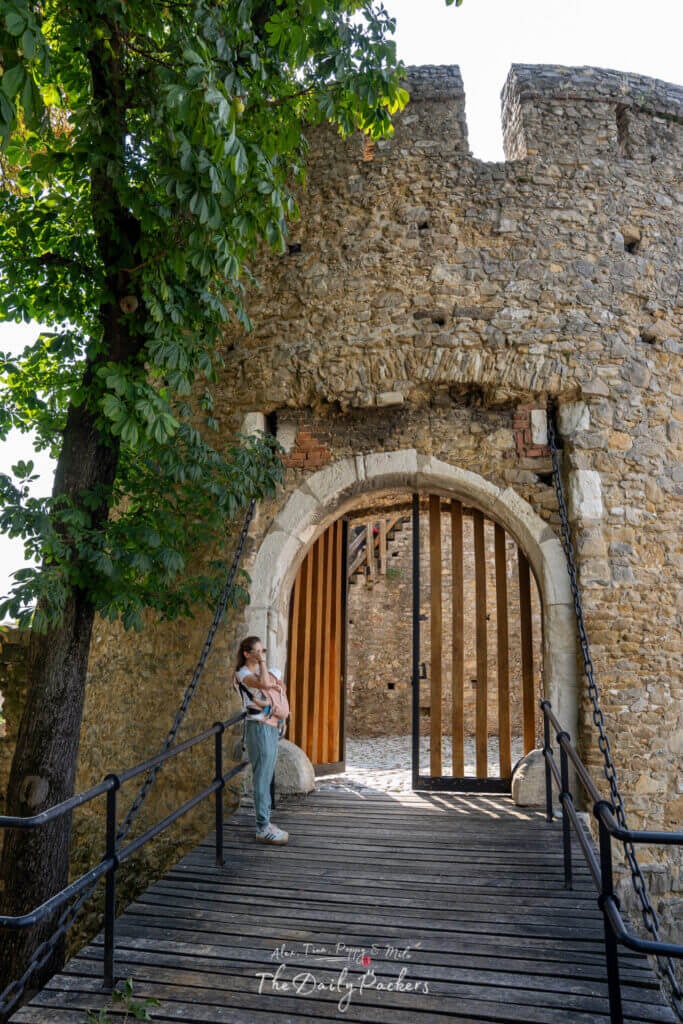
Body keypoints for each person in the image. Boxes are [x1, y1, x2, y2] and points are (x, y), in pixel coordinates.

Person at [234, 636, 289, 845]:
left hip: (270, 726)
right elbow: (266, 684)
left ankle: (265, 822)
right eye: (256, 652)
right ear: (246, 654)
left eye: (262, 651)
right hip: (258, 727)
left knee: (266, 775)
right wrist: (263, 663)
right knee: (261, 777)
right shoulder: (243, 673)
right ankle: (262, 827)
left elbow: (274, 685)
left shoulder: (257, 671)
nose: (260, 655)